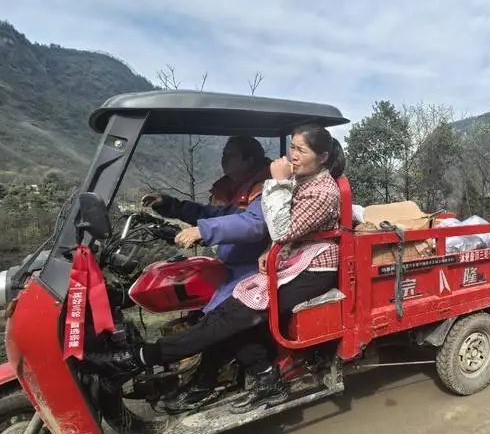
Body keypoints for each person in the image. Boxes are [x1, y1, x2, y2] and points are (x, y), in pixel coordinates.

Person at [95, 124, 344, 412]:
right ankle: (258, 377)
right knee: (230, 314)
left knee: (231, 315)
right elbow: (252, 223)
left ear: (322, 156)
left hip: (313, 267)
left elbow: (278, 229)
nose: (293, 155)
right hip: (289, 260)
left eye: (301, 149)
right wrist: (174, 209)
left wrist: (276, 183)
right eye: (292, 147)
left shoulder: (319, 191)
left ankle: (146, 358)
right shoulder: (288, 182)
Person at [142, 136, 272, 312]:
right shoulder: (240, 188)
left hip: (251, 268)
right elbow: (216, 214)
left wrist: (203, 231)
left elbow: (254, 224)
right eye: (223, 154)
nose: (223, 159)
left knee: (214, 316)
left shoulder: (264, 188)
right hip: (232, 266)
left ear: (249, 160)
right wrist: (170, 205)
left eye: (230, 155)